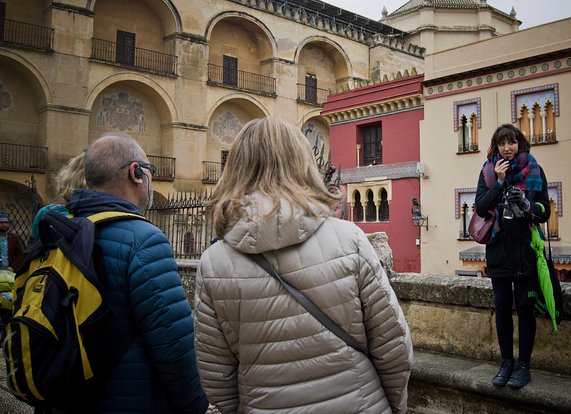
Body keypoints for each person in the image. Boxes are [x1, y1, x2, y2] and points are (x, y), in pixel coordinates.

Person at [194, 117, 413, 414]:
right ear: (303, 162)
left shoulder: (213, 264)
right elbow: (394, 348)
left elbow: (216, 374)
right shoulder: (349, 240)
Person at [58, 132, 209, 414]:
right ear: (136, 172)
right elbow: (173, 346)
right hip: (126, 400)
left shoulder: (59, 230)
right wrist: (195, 405)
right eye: (149, 170)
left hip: (64, 395)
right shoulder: (144, 239)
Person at [474, 123, 550, 389]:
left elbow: (545, 211)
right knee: (504, 309)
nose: (507, 148)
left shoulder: (535, 170)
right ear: (496, 147)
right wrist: (501, 183)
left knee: (526, 309)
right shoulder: (487, 172)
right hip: (499, 253)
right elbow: (481, 208)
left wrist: (527, 204)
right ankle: (506, 362)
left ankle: (523, 366)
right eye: (502, 143)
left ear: (520, 144)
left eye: (512, 142)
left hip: (526, 252)